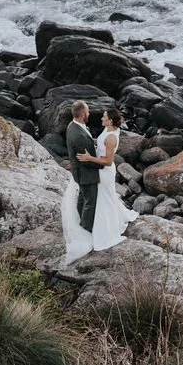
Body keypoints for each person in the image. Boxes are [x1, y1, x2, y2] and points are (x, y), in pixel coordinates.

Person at [61, 101, 104, 265]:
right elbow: (86, 160)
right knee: (90, 202)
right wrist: (102, 163)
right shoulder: (78, 135)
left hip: (79, 172)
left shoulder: (73, 126)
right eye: (87, 112)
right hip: (85, 173)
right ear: (82, 114)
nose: (89, 114)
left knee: (83, 199)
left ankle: (80, 224)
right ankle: (86, 231)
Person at [89, 106, 136, 251]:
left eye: (104, 117)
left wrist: (88, 158)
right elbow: (101, 145)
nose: (101, 118)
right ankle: (116, 219)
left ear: (109, 121)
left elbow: (108, 161)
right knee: (107, 197)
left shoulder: (111, 137)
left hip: (105, 171)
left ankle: (108, 228)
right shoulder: (110, 130)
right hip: (102, 170)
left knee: (105, 199)